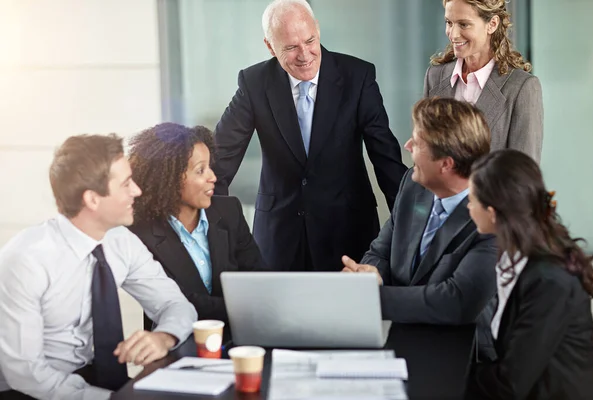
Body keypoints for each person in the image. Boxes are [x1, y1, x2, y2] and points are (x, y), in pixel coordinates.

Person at [213, 0, 407, 272]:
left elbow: (386, 159)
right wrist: (214, 233)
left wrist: (411, 228)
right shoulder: (254, 83)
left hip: (348, 234)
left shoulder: (357, 76)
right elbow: (218, 162)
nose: (304, 54)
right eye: (291, 47)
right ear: (270, 46)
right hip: (279, 239)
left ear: (318, 30)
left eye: (310, 40)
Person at [0, 134, 197, 400]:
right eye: (126, 184)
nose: (137, 191)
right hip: (29, 391)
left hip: (94, 378)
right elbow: (26, 373)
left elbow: (176, 304)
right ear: (92, 199)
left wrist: (164, 336)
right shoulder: (26, 259)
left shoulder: (121, 241)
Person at [342, 97, 497, 360]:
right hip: (398, 339)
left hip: (462, 356)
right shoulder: (413, 186)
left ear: (446, 164)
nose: (407, 145)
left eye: (417, 142)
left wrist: (370, 298)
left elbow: (454, 302)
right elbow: (381, 251)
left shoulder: (492, 216)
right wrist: (369, 275)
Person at [466, 149, 593, 399]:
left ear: (492, 213)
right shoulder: (516, 257)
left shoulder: (550, 281)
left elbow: (511, 383)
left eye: (472, 199)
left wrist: (456, 377)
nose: (468, 206)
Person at [128, 123, 266, 332]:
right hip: (178, 342)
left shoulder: (229, 212)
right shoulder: (141, 233)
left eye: (210, 167)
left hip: (241, 337)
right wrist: (248, 307)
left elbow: (259, 280)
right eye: (200, 170)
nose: (212, 177)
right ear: (168, 180)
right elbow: (181, 301)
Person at [424, 0, 543, 162]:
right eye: (449, 23)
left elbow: (522, 176)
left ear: (492, 24)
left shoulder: (521, 87)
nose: (453, 34)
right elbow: (425, 157)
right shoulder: (434, 77)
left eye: (464, 25)